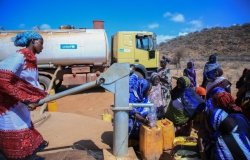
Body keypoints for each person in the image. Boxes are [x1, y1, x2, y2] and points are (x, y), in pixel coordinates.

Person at [0, 31, 48, 159]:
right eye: (41, 43)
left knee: (24, 125)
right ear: (33, 41)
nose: (42, 47)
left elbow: (30, 81)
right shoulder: (20, 56)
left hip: (19, 104)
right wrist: (25, 99)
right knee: (14, 127)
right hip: (9, 106)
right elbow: (2, 78)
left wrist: (38, 95)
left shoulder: (30, 58)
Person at [128, 73, 151, 140]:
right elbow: (132, 112)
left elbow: (147, 105)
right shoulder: (131, 96)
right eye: (148, 90)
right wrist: (143, 120)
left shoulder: (143, 95)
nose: (149, 92)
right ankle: (129, 139)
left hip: (139, 117)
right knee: (129, 124)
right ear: (144, 89)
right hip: (129, 117)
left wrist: (149, 116)